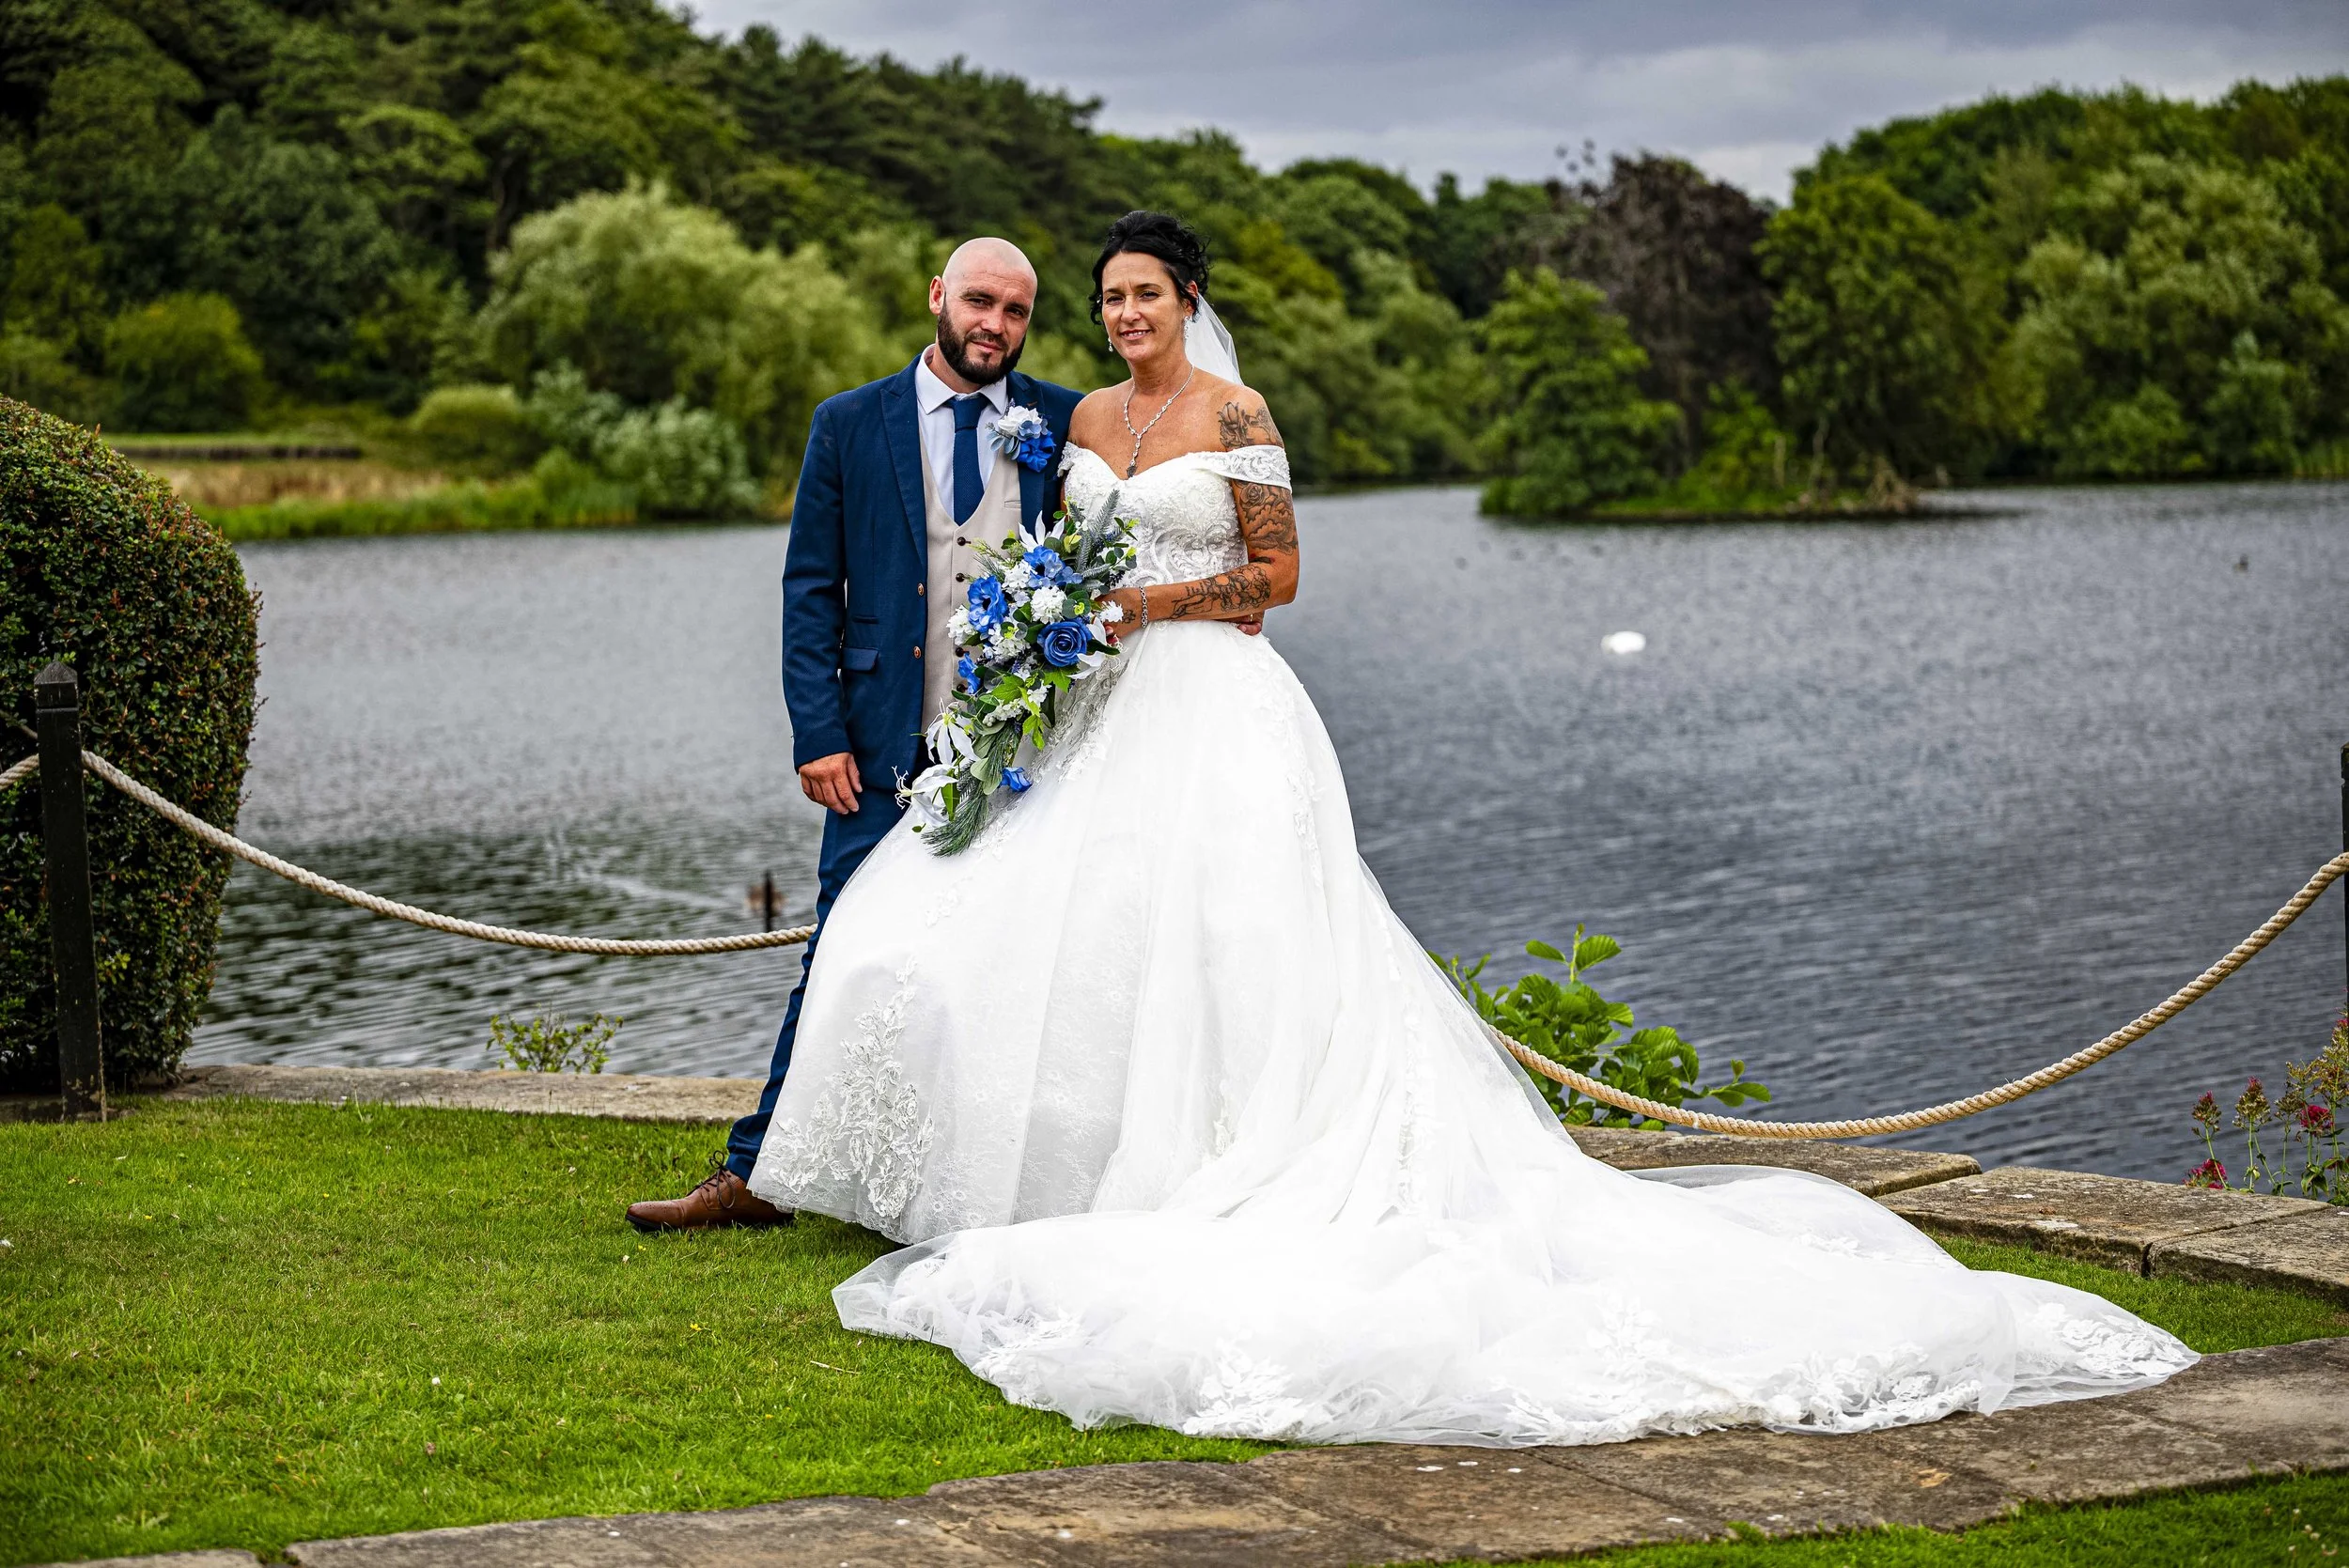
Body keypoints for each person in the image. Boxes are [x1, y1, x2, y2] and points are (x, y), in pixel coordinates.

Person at [750, 210, 2196, 1446]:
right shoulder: (1075, 421)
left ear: (1189, 303)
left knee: (1243, 942)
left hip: (1225, 713)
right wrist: (1072, 622)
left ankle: (1239, 1172)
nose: (1128, 314)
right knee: (1073, 943)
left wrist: (1146, 606)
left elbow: (1278, 577)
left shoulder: (1238, 421)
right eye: (1111, 295)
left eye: (1147, 293)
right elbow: (1060, 555)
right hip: (1109, 721)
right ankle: (1061, 1166)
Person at [623, 238, 1083, 1232]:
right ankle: (754, 1174)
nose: (994, 325)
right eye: (978, 302)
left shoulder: (1059, 421)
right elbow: (808, 591)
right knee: (839, 946)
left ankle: (979, 1181)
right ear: (937, 298)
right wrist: (816, 733)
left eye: (1014, 311)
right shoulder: (849, 423)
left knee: (1010, 962)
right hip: (875, 743)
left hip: (1016, 754)